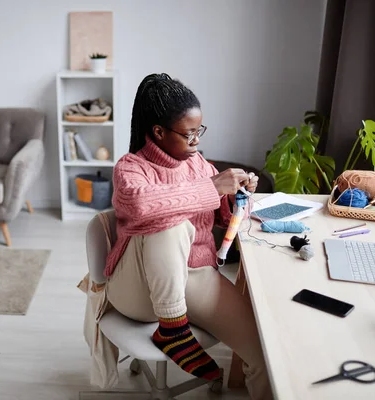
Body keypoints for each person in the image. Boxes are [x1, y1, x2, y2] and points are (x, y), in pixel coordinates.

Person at [104, 73, 273, 400]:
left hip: (194, 277)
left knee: (264, 350)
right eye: (189, 132)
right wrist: (212, 188)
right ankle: (172, 328)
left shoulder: (200, 165)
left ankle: (177, 329)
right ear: (158, 132)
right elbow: (142, 207)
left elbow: (229, 219)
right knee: (170, 222)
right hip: (136, 287)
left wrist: (238, 197)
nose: (197, 140)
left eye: (200, 131)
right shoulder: (130, 168)